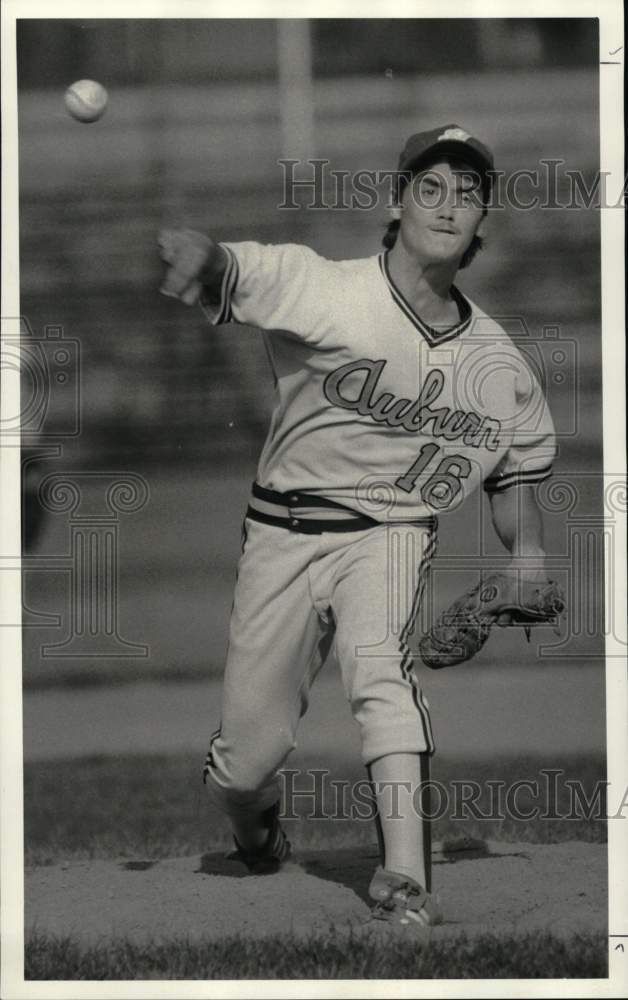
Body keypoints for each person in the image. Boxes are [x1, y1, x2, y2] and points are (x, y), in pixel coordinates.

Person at [158, 125, 556, 940]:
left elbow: (513, 476)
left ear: (483, 223)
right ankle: (257, 831)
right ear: (396, 201)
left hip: (390, 534)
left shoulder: (501, 366)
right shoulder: (329, 289)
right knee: (245, 762)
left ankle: (405, 879)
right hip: (281, 533)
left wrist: (528, 557)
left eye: (469, 193)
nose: (450, 206)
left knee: (383, 677)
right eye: (432, 186)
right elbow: (238, 272)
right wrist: (204, 261)